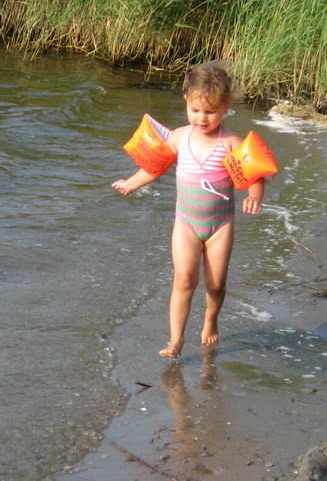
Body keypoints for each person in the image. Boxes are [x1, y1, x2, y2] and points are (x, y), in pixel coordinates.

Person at [112, 61, 264, 358]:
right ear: (187, 102)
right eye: (195, 110)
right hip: (186, 223)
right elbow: (156, 167)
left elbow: (254, 176)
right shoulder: (180, 137)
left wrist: (255, 195)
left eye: (210, 112)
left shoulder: (231, 143)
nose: (202, 118)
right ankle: (176, 340)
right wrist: (132, 183)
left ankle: (210, 318)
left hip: (220, 225)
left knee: (216, 285)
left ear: (226, 106)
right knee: (184, 280)